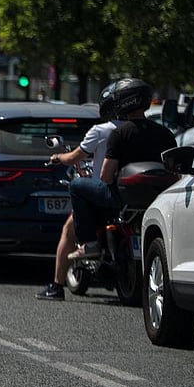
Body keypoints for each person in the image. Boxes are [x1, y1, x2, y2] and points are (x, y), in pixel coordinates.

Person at [68, 78, 176, 262]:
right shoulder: (165, 134)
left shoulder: (120, 133)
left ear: (124, 102)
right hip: (157, 196)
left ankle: (90, 243)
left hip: (122, 197)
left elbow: (106, 175)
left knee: (77, 186)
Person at [36, 85, 122, 301]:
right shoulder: (136, 130)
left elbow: (74, 157)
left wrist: (57, 157)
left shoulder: (102, 131)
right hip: (130, 194)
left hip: (102, 194)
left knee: (68, 229)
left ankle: (57, 286)